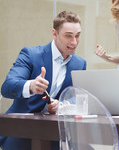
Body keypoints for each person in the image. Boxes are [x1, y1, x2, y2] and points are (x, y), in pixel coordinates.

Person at [0, 10, 86, 150]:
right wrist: (31, 86)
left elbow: (76, 99)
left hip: (55, 134)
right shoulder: (31, 54)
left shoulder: (80, 64)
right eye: (68, 36)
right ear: (54, 34)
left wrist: (62, 105)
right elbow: (7, 87)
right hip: (20, 131)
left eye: (77, 36)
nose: (74, 42)